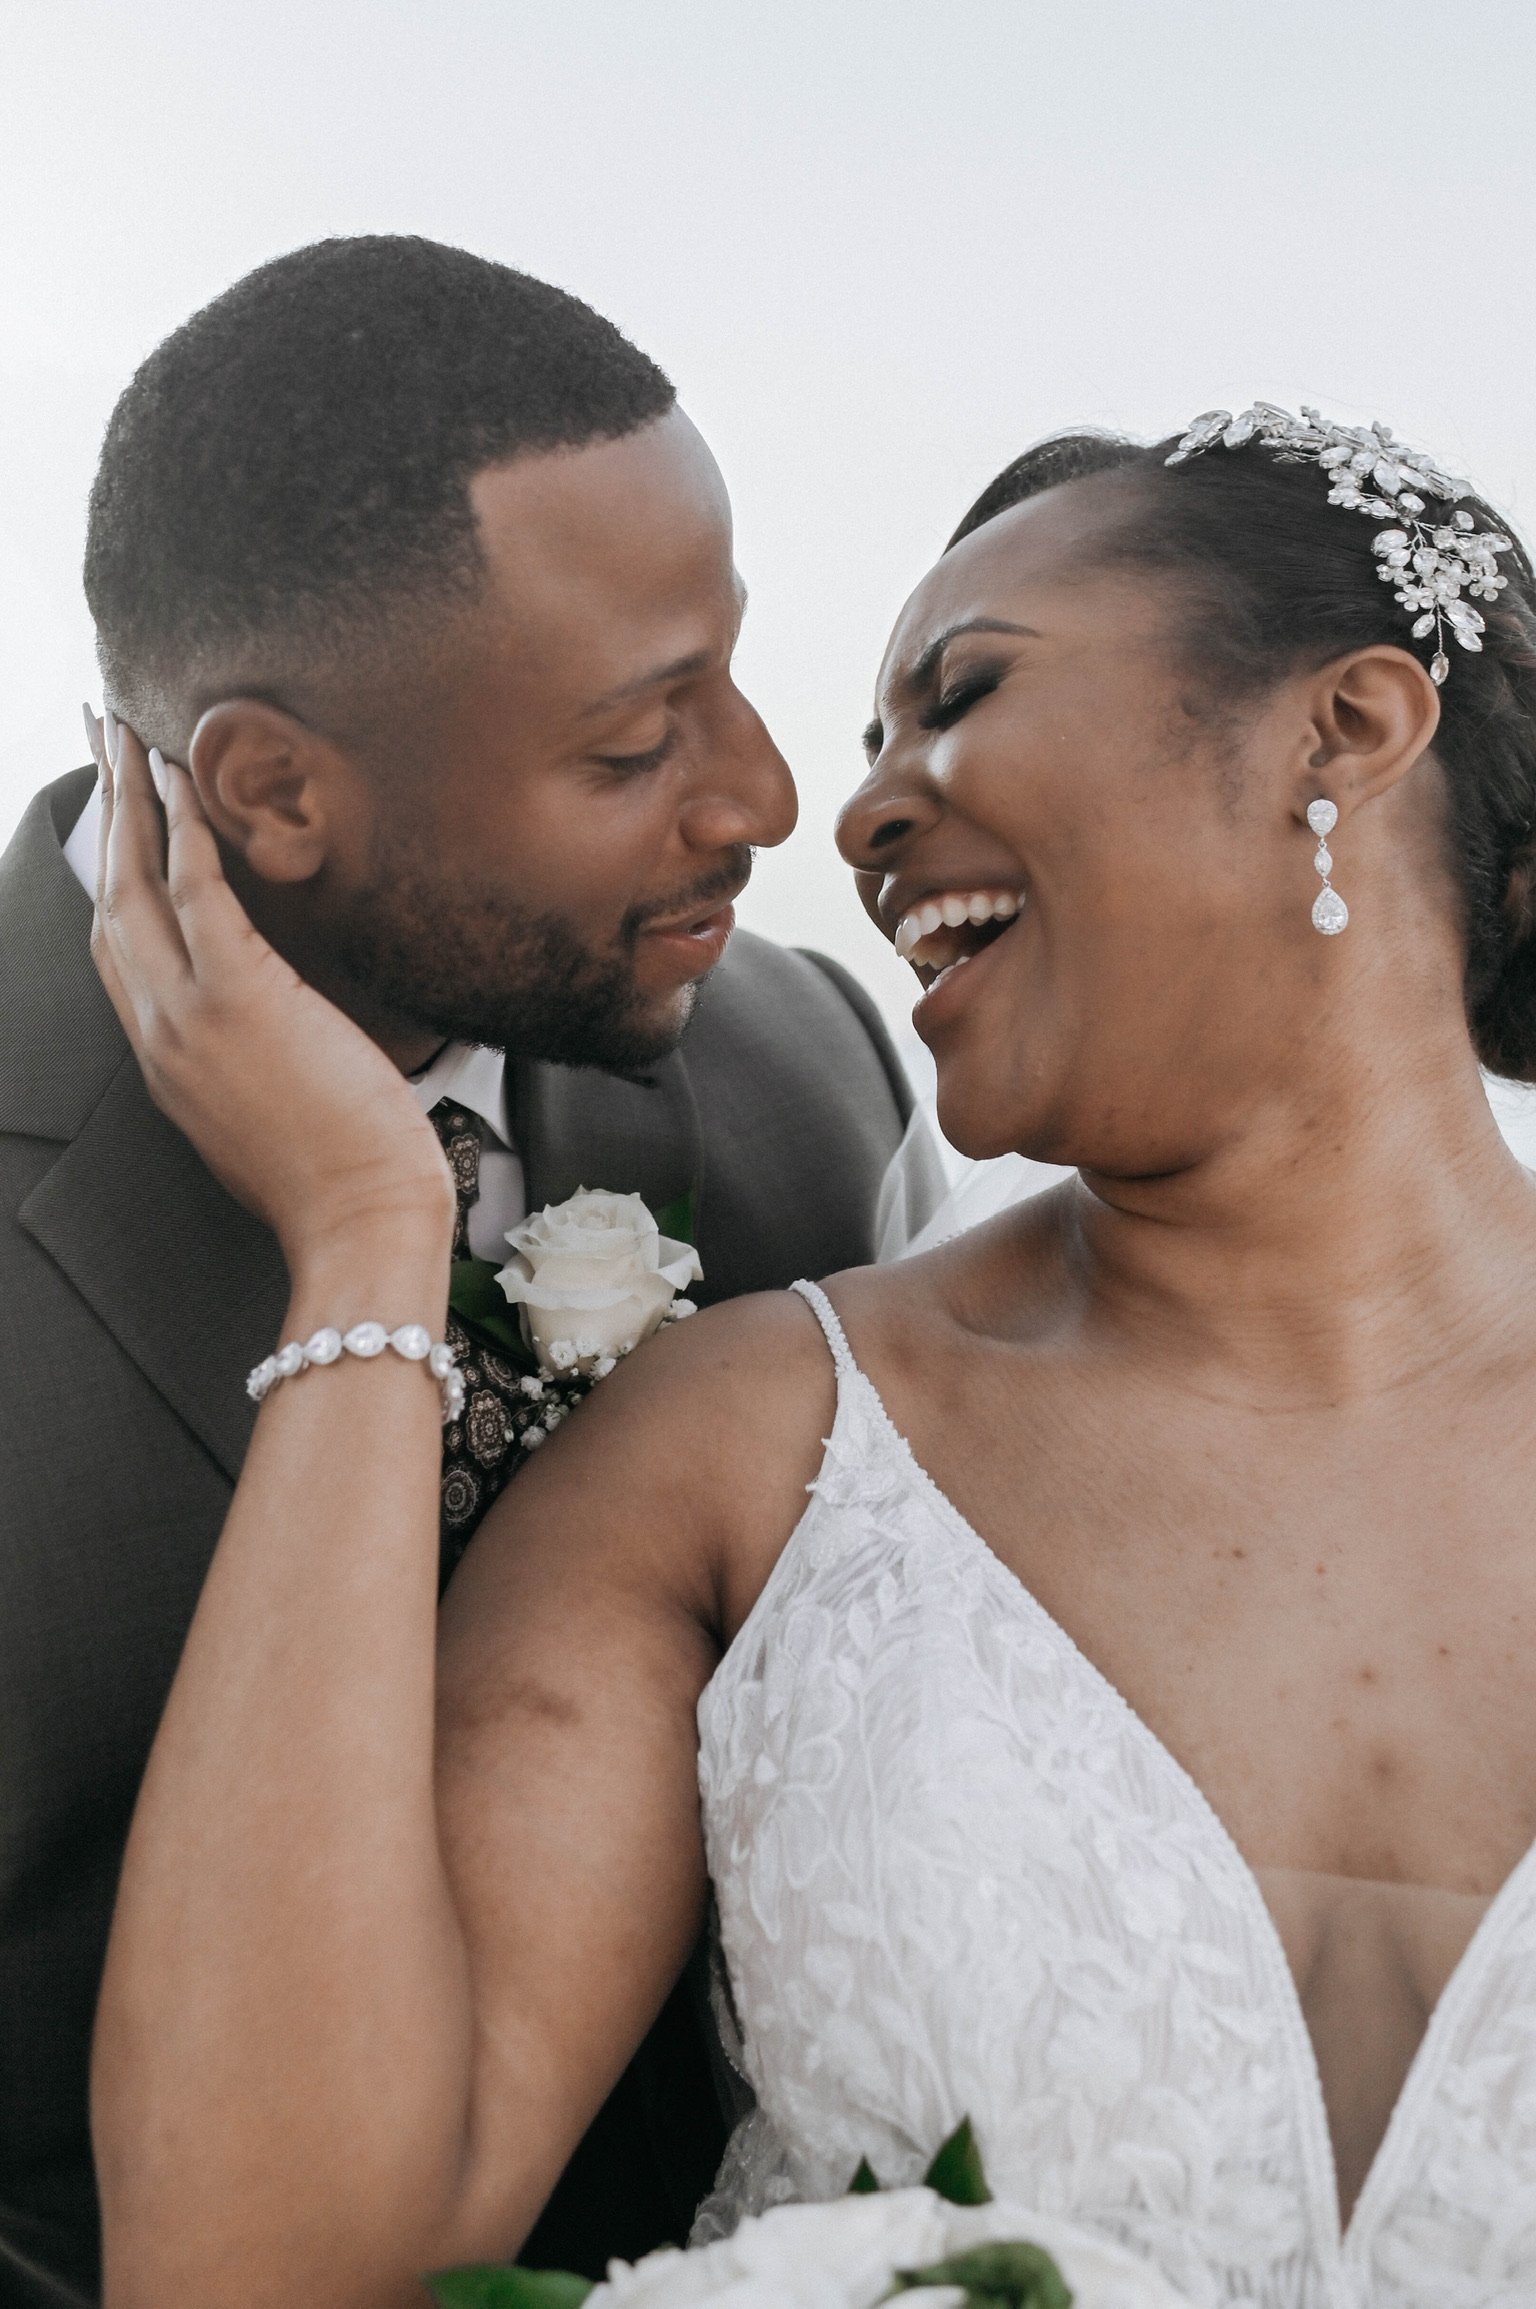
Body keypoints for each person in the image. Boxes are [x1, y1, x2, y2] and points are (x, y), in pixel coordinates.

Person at [88, 401, 1536, 2309]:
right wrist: (366, 1231)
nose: (851, 814)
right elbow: (256, 2261)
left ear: (1344, 730)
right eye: (878, 745)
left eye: (960, 692)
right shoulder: (752, 1441)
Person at [0, 235, 935, 2309]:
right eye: (630, 749)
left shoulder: (822, 1077)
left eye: (731, 669)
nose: (769, 801)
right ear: (273, 788)